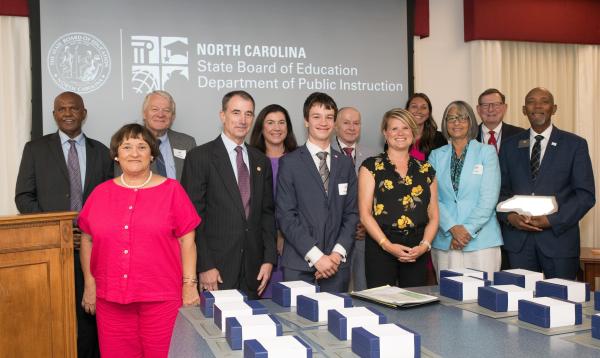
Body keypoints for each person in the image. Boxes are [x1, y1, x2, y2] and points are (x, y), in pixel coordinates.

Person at [78, 124, 200, 357]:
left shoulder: (172, 190)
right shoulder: (100, 193)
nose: (134, 153)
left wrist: (189, 284)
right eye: (127, 147)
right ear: (116, 154)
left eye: (142, 147)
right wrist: (90, 284)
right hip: (111, 299)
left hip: (162, 298)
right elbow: (87, 240)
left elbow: (188, 240)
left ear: (152, 154)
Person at [15, 91, 113, 358]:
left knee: (91, 320)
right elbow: (24, 197)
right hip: (51, 251)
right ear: (54, 114)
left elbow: (111, 200)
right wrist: (59, 230)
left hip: (94, 252)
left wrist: (90, 233)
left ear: (84, 113)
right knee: (56, 318)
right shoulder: (35, 149)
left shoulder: (102, 152)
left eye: (73, 108)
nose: (68, 113)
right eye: (61, 109)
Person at [182, 91, 276, 299]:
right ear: (222, 115)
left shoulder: (261, 160)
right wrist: (205, 265)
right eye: (236, 112)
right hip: (216, 272)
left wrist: (269, 259)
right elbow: (193, 217)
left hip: (254, 270)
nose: (242, 120)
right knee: (215, 331)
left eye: (248, 114)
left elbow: (267, 213)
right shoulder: (200, 157)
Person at [498, 87, 595, 279]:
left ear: (554, 108)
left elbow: (585, 196)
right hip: (519, 243)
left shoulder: (575, 145)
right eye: (532, 102)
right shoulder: (510, 146)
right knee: (520, 303)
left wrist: (551, 221)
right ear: (524, 109)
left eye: (544, 101)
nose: (538, 106)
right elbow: (501, 191)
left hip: (559, 241)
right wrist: (510, 217)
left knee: (560, 302)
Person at [277, 92, 358, 292]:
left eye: (329, 117)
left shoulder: (346, 163)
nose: (323, 123)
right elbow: (286, 217)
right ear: (306, 121)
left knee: (336, 322)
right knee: (295, 322)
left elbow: (352, 214)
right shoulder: (290, 162)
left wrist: (336, 255)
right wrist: (317, 257)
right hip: (299, 265)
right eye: (316, 117)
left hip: (336, 266)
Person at [358, 108, 439, 288]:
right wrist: (387, 245)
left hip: (416, 250)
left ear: (413, 132)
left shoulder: (426, 169)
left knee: (416, 308)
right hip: (381, 246)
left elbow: (433, 216)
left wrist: (424, 246)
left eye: (405, 128)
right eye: (394, 129)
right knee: (381, 305)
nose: (400, 133)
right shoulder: (370, 167)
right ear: (385, 133)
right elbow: (365, 214)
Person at [428, 101, 503, 279]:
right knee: (448, 300)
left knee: (484, 300)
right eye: (451, 118)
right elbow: (432, 198)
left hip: (481, 240)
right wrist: (453, 227)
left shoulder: (487, 152)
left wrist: (466, 230)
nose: (457, 123)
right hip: (446, 240)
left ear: (470, 122)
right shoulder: (436, 155)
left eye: (462, 118)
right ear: (445, 123)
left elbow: (489, 198)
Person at [249, 104, 298, 297]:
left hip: (295, 244)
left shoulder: (300, 159)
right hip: (260, 245)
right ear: (261, 127)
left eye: (281, 122)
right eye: (270, 122)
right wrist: (273, 235)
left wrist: (285, 233)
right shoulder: (249, 160)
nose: (276, 128)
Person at [331, 107, 377, 291]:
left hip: (365, 236)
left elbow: (379, 196)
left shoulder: (373, 155)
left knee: (364, 288)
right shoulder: (325, 152)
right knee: (336, 291)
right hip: (334, 236)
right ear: (335, 125)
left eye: (356, 123)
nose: (352, 127)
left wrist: (366, 223)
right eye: (346, 122)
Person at [139, 90, 196, 180]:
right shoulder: (129, 143)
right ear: (144, 113)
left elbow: (195, 180)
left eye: (166, 110)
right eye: (155, 109)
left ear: (173, 116)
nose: (160, 114)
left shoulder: (187, 143)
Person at [476, 88, 525, 152]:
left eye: (496, 105)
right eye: (485, 105)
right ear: (478, 109)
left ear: (505, 108)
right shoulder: (468, 136)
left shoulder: (520, 135)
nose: (490, 109)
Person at [405, 93, 447, 161]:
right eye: (414, 106)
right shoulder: (397, 137)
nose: (418, 111)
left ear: (429, 112)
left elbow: (441, 167)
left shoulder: (439, 138)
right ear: (407, 110)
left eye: (423, 107)